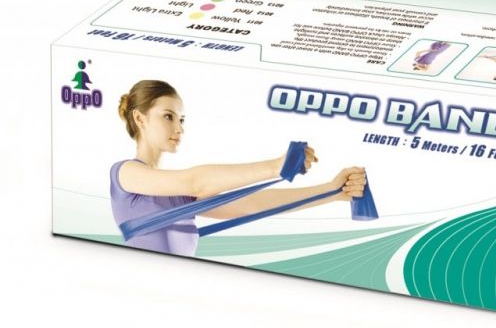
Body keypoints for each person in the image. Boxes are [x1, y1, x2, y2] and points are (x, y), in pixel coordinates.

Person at [111, 80, 366, 257]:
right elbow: (196, 182)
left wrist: (332, 191)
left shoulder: (180, 195)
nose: (179, 128)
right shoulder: (124, 173)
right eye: (168, 116)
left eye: (182, 119)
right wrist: (277, 166)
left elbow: (254, 204)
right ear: (140, 118)